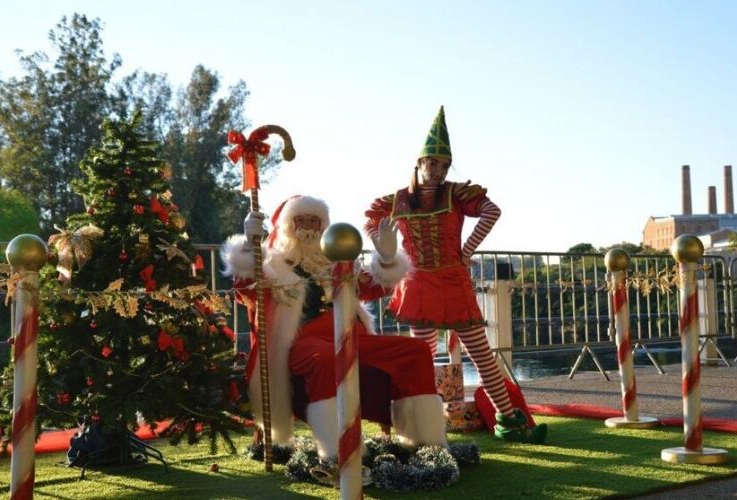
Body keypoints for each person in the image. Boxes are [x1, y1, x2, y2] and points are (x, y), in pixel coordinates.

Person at [364, 106, 547, 443]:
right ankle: (417, 424)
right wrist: (387, 250)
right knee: (420, 358)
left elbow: (493, 211)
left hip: (452, 281)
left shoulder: (456, 194)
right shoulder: (398, 200)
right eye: (432, 162)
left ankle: (509, 420)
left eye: (444, 165)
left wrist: (466, 251)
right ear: (419, 162)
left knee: (481, 353)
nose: (438, 170)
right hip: (418, 284)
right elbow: (372, 221)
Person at [222, 195, 447, 460]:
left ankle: (424, 441)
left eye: (314, 221)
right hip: (300, 343)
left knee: (416, 350)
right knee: (329, 359)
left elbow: (375, 287)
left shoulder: (337, 262)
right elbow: (244, 290)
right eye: (300, 220)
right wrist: (250, 245)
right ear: (287, 226)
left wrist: (387, 259)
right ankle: (339, 449)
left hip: (348, 336)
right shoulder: (272, 265)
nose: (307, 227)